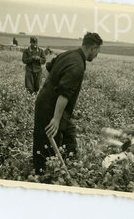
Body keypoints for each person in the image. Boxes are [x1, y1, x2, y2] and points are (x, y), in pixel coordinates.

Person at [33, 32, 103, 174]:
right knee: (46, 140)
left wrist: (49, 89)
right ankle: (43, 173)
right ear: (93, 48)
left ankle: (68, 162)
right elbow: (64, 94)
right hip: (50, 108)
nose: (97, 55)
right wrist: (56, 118)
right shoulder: (77, 66)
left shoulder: (68, 54)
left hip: (47, 102)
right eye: (97, 51)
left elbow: (48, 68)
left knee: (69, 134)